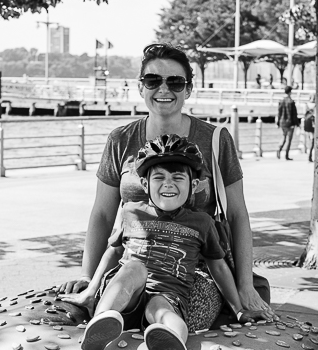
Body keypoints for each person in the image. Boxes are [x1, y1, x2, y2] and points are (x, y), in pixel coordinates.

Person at [58, 43, 274, 331]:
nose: (163, 89)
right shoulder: (121, 139)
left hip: (193, 269)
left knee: (166, 308)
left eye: (175, 81)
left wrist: (245, 286)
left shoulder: (215, 140)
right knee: (121, 291)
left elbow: (237, 215)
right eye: (153, 80)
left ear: (188, 89)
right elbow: (102, 214)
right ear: (140, 87)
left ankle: (168, 335)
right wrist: (87, 275)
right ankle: (102, 325)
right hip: (131, 263)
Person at [66, 136, 251, 350]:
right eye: (159, 177)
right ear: (145, 183)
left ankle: (174, 345)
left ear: (194, 185)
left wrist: (238, 308)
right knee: (135, 268)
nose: (168, 184)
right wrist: (90, 290)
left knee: (162, 309)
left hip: (169, 294)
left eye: (178, 178)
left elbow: (218, 266)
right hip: (125, 293)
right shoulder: (131, 212)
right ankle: (101, 324)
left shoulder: (202, 223)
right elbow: (113, 251)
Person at [276, 85, 298, 159]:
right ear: (290, 92)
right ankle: (286, 155)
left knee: (283, 137)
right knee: (289, 139)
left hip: (282, 122)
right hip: (290, 123)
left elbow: (279, 113)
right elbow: (294, 114)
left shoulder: (281, 101)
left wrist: (278, 123)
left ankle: (279, 149)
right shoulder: (291, 102)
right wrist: (296, 123)